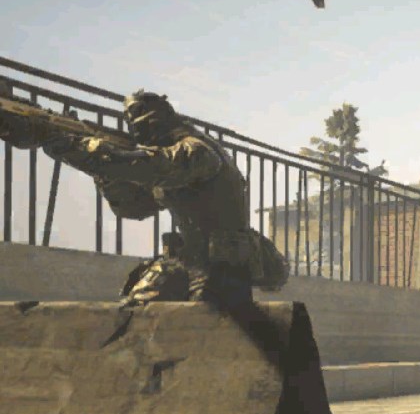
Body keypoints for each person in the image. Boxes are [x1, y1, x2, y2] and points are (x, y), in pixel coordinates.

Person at [37, 90, 287, 307]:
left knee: (194, 325)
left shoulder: (195, 151)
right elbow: (134, 208)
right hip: (189, 261)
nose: (141, 136)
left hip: (220, 268)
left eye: (144, 126)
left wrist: (87, 151)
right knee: (137, 307)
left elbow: (151, 167)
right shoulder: (177, 161)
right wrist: (102, 172)